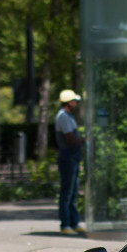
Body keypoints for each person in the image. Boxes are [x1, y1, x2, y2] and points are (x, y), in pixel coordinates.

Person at [54, 88, 85, 235]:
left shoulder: (69, 116)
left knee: (73, 192)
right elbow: (69, 138)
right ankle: (66, 224)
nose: (75, 103)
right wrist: (83, 140)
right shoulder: (63, 117)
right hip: (68, 157)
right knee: (67, 192)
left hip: (73, 157)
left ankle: (73, 222)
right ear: (68, 102)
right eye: (74, 101)